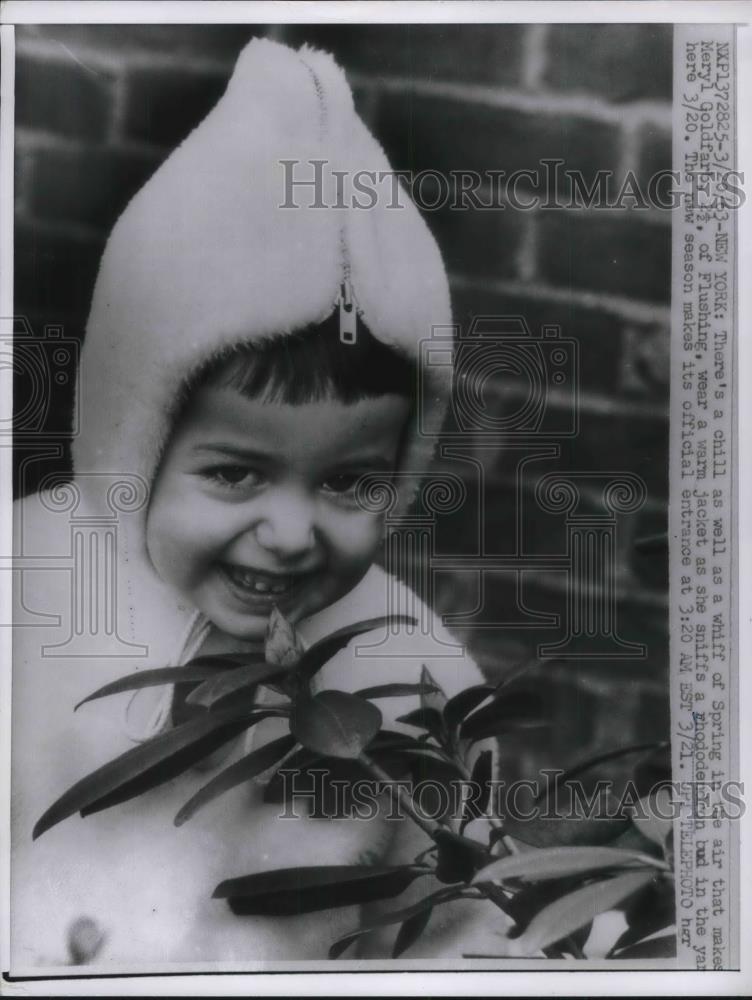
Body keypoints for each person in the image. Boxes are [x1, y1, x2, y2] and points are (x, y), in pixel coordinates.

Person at [10, 38, 508, 969]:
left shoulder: (422, 678)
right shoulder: (18, 598)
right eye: (234, 473)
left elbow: (465, 934)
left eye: (352, 481)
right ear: (133, 440)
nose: (287, 534)